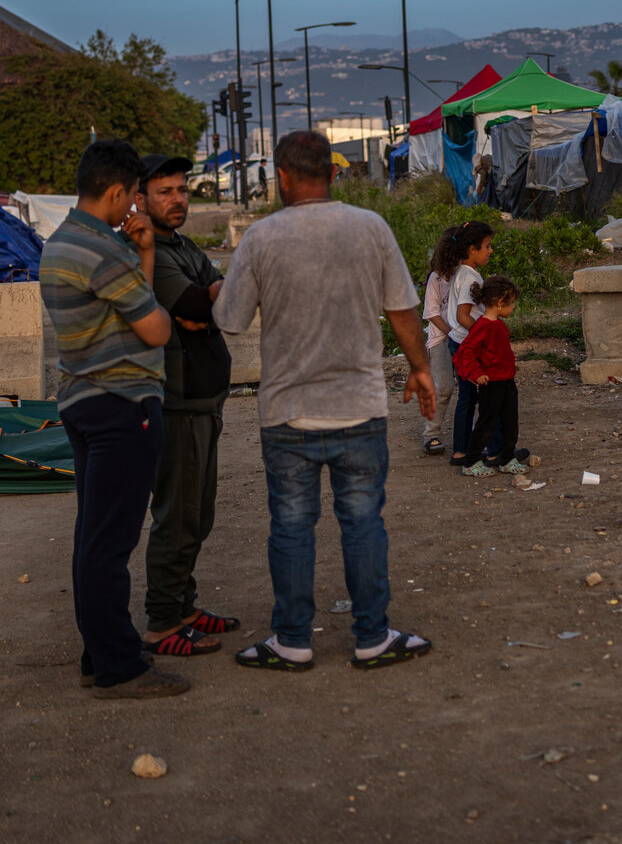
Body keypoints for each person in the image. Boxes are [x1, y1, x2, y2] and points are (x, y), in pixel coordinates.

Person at [215, 130, 436, 674]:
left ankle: (292, 640)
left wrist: (217, 287)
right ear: (334, 175)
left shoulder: (261, 239)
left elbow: (231, 321)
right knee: (363, 524)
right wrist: (421, 369)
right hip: (359, 407)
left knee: (291, 528)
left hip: (287, 414)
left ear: (283, 178)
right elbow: (403, 311)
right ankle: (371, 637)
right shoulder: (371, 228)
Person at [40, 139, 183, 699]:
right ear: (120, 191)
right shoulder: (103, 251)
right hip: (122, 404)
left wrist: (142, 252)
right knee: (110, 545)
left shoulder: (63, 242)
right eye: (136, 198)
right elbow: (156, 328)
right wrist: (137, 261)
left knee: (92, 538)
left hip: (82, 400)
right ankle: (120, 667)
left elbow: (130, 301)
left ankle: (98, 653)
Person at [135, 154, 237, 659]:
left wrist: (210, 299)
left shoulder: (185, 247)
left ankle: (185, 607)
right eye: (165, 192)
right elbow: (197, 306)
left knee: (201, 513)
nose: (178, 199)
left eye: (181, 189)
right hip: (176, 404)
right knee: (177, 516)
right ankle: (160, 622)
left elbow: (224, 297)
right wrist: (206, 302)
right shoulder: (148, 253)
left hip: (205, 399)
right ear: (139, 198)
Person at [453, 275, 526, 477]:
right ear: (501, 303)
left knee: (511, 422)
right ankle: (471, 462)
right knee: (486, 423)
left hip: (507, 382)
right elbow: (465, 352)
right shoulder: (482, 326)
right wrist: (476, 374)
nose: (513, 308)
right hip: (491, 385)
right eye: (511, 304)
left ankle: (507, 458)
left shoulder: (500, 325)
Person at [442, 221, 502, 470]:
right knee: (482, 399)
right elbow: (463, 316)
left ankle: (462, 449)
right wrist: (485, 336)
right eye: (487, 246)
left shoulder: (463, 272)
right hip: (468, 345)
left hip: (459, 343)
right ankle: (487, 451)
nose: (490, 251)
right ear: (472, 248)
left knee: (467, 398)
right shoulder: (469, 278)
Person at [416, 227, 460, 456]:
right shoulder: (436, 278)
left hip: (461, 337)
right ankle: (431, 435)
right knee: (443, 387)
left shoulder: (463, 275)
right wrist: (452, 331)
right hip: (441, 338)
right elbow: (432, 313)